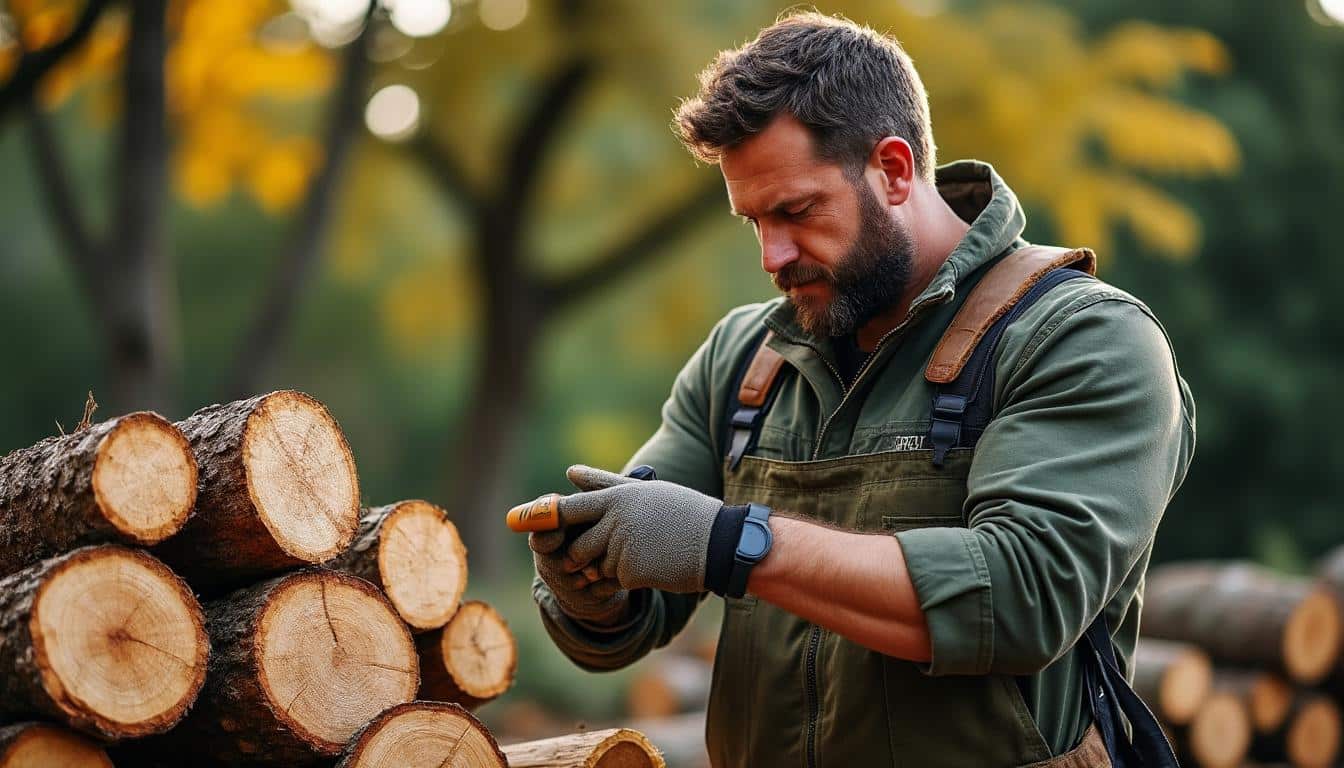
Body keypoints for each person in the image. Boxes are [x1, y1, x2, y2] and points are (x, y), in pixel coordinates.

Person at [520, 11, 1195, 767]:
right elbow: (625, 624)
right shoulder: (745, 357)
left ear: (896, 169)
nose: (773, 255)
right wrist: (590, 581)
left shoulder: (1083, 339)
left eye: (796, 211)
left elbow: (1022, 598)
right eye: (753, 220)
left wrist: (733, 543)